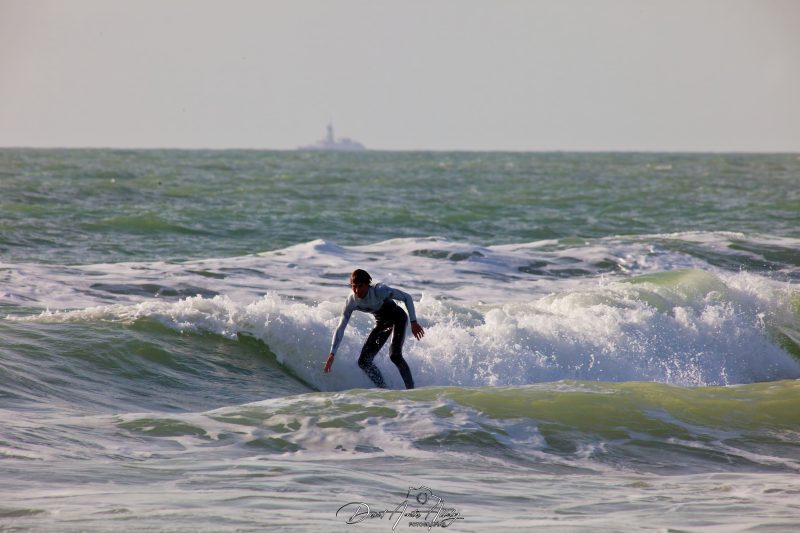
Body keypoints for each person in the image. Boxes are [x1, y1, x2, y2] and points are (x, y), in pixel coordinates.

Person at [323, 269, 424, 389]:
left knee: (395, 355)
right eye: (354, 286)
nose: (357, 290)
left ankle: (411, 389)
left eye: (360, 286)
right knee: (363, 362)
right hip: (382, 323)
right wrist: (332, 354)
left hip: (398, 318)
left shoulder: (380, 291)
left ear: (367, 284)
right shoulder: (351, 301)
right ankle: (384, 389)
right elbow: (341, 327)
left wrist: (414, 322)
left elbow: (407, 297)